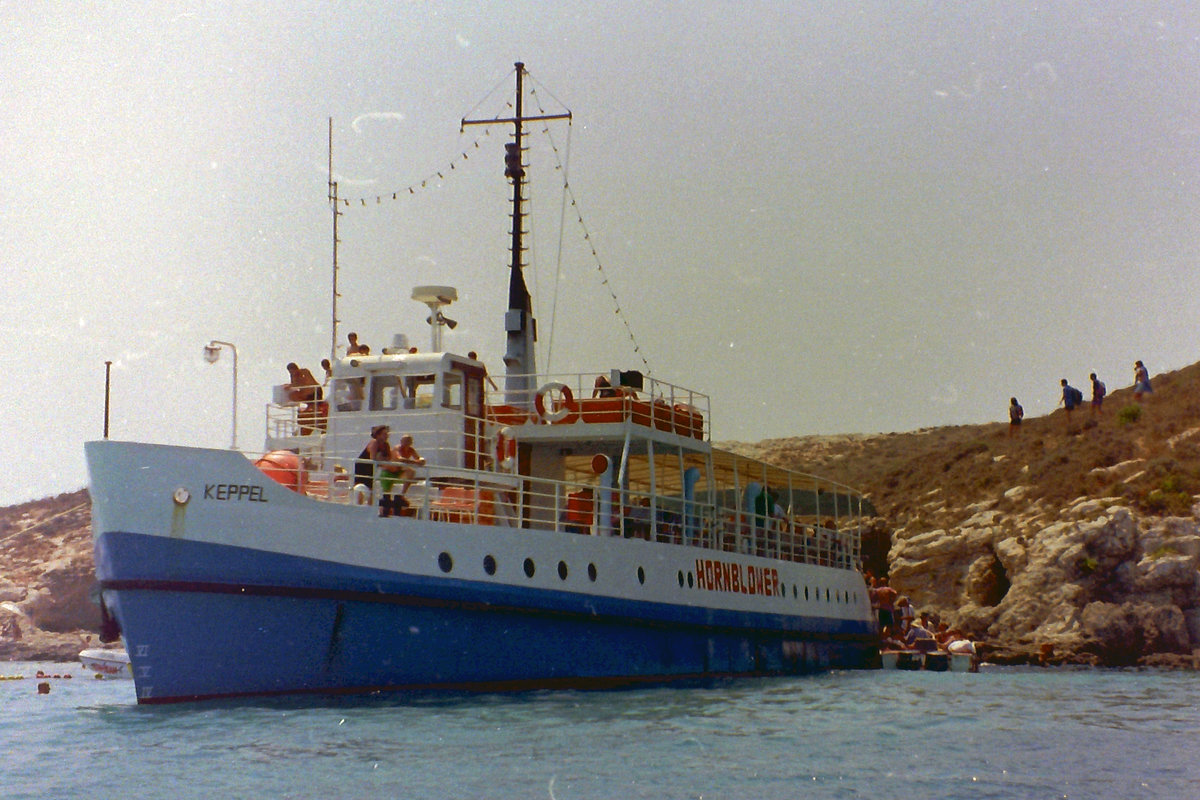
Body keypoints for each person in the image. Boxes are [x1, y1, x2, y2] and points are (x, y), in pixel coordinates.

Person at [286, 362, 324, 434]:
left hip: (315, 392)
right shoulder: (294, 376)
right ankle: (310, 408)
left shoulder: (304, 372)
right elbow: (295, 385)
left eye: (292, 371)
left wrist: (291, 385)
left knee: (296, 394)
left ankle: (313, 409)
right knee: (292, 395)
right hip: (308, 396)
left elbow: (305, 383)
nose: (292, 373)